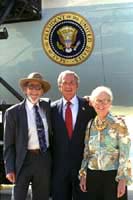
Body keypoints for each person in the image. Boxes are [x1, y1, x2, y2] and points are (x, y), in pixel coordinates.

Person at [3, 72, 52, 200]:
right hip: (22, 160)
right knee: (18, 196)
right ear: (25, 89)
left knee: (41, 197)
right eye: (31, 87)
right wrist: (9, 169)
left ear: (42, 91)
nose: (34, 91)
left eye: (38, 88)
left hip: (43, 159)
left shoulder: (48, 107)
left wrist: (88, 100)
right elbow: (8, 144)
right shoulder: (13, 113)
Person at [79, 86, 132, 200]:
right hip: (93, 177)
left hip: (113, 177)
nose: (101, 104)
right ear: (93, 103)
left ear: (110, 103)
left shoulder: (119, 124)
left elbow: (125, 154)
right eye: (98, 100)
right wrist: (83, 175)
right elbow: (87, 152)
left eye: (106, 100)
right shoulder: (90, 125)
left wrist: (122, 180)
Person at [51, 70, 96, 200]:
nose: (68, 86)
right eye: (65, 83)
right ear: (59, 86)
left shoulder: (89, 107)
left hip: (82, 168)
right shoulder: (52, 109)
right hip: (59, 169)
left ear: (77, 85)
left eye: (72, 83)